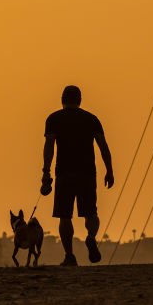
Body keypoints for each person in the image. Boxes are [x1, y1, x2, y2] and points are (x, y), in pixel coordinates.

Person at [41, 85, 114, 266]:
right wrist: (109, 170)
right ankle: (91, 237)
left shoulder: (54, 119)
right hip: (87, 173)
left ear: (62, 99)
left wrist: (46, 171)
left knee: (64, 216)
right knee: (91, 212)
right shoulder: (91, 119)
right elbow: (103, 146)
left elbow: (49, 146)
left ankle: (69, 256)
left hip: (64, 173)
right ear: (80, 100)